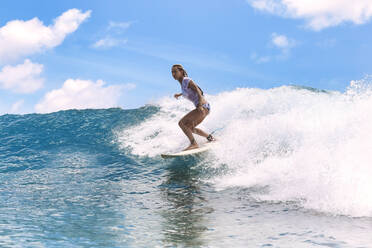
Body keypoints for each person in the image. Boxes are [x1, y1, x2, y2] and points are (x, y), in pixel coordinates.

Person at [172, 64, 216, 151]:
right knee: (189, 128)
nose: (173, 74)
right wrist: (179, 94)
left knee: (181, 123)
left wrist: (199, 104)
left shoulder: (186, 80)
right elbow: (188, 91)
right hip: (205, 108)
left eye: (175, 71)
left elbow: (198, 90)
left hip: (202, 107)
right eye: (172, 72)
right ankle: (210, 138)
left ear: (181, 71)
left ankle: (194, 144)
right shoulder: (183, 84)